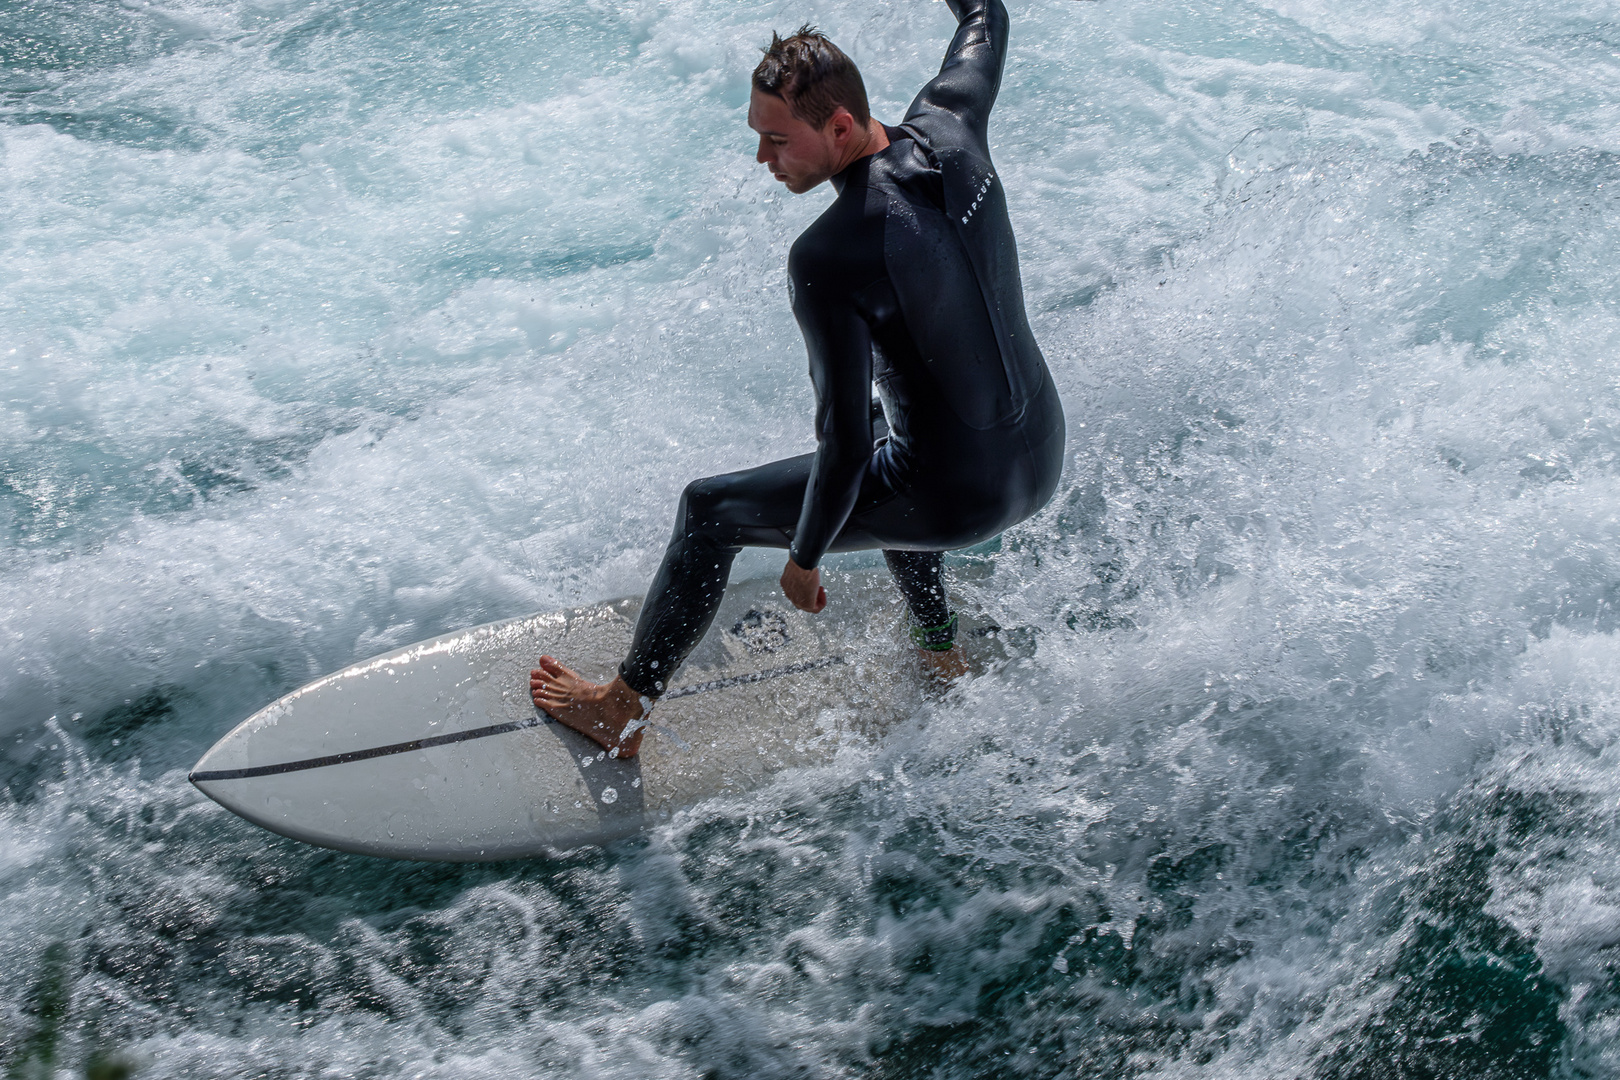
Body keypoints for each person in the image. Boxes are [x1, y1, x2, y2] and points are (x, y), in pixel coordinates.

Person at [531, 0, 1065, 757]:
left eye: (777, 141)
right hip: (1040, 456)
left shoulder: (829, 255)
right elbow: (985, 11)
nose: (763, 160)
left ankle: (621, 709)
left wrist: (804, 557)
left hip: (957, 500)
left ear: (839, 127)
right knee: (899, 436)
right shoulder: (952, 121)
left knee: (709, 510)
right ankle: (939, 647)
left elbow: (841, 444)